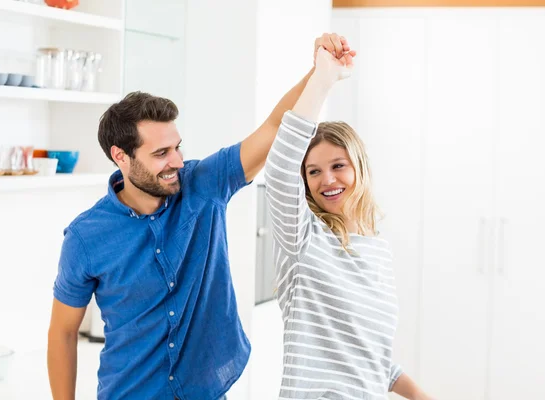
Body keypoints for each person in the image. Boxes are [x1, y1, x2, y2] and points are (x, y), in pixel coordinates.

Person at [47, 33, 352, 400]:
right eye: (161, 153)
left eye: (177, 147)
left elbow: (276, 127)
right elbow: (63, 332)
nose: (176, 160)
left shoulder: (202, 185)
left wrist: (320, 72)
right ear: (120, 157)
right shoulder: (86, 237)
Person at [265, 47, 435, 399]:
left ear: (360, 166)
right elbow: (280, 168)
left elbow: (371, 356)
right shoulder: (304, 239)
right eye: (314, 171)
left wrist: (420, 395)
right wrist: (322, 79)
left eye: (338, 165)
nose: (327, 179)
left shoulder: (377, 249)